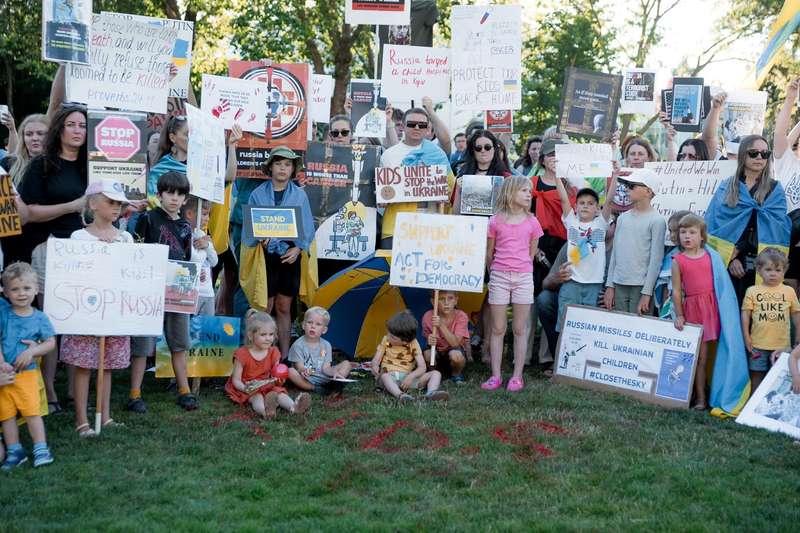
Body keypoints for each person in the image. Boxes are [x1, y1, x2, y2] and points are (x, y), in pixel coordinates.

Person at [18, 104, 88, 411]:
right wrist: (72, 206)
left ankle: (75, 390)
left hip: (85, 248)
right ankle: (49, 391)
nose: (77, 131)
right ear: (59, 128)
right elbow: (27, 213)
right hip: (49, 249)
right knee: (52, 323)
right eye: (72, 124)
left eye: (83, 126)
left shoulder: (92, 164)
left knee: (79, 322)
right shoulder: (41, 165)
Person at [60, 180, 132, 437]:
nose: (116, 207)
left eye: (119, 203)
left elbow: (130, 274)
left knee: (107, 364)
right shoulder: (78, 237)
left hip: (113, 312)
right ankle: (82, 420)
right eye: (110, 202)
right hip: (86, 312)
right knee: (83, 364)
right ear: (93, 203)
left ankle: (106, 414)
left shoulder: (125, 238)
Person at [128, 171, 196, 413]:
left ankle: (184, 391)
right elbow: (137, 249)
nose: (174, 198)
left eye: (180, 194)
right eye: (169, 193)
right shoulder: (147, 218)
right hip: (149, 289)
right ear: (160, 194)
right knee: (143, 344)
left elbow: (187, 259)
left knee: (179, 342)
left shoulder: (186, 226)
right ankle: (134, 394)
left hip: (176, 290)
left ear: (186, 198)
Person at [704, 135, 790, 304]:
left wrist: (739, 249)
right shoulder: (727, 186)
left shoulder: (775, 190)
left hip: (763, 264)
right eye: (754, 153)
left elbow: (776, 229)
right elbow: (714, 226)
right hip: (726, 262)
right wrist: (731, 259)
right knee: (728, 315)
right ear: (743, 154)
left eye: (765, 154)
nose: (759, 157)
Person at [245, 147, 314, 357]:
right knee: (266, 305)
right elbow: (251, 227)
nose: (282, 168)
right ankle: (259, 357)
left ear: (293, 169)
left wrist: (298, 248)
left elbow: (307, 227)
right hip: (265, 256)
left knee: (284, 306)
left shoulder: (300, 195)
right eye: (278, 164)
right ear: (271, 167)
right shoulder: (257, 194)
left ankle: (284, 358)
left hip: (289, 257)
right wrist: (260, 238)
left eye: (287, 164)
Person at [482, 176, 543, 391]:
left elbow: (531, 253)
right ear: (510, 193)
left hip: (523, 278)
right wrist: (496, 272)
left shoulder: (532, 222)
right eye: (524, 190)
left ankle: (517, 376)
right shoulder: (495, 221)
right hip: (499, 276)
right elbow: (489, 254)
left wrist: (519, 270)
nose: (529, 194)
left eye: (530, 191)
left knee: (519, 327)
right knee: (498, 328)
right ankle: (496, 375)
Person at [0, 263, 56, 469]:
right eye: (14, 289)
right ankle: (15, 451)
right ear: (5, 292)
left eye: (26, 288)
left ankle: (41, 448)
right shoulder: (3, 315)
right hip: (6, 375)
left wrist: (32, 351)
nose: (21, 293)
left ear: (36, 289)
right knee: (6, 414)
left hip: (27, 374)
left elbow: (50, 342)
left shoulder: (39, 318)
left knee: (31, 412)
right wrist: (1, 364)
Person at [378, 107, 450, 248]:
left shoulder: (438, 154)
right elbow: (383, 192)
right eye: (411, 124)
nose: (417, 127)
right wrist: (383, 198)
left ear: (427, 128)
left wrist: (443, 194)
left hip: (430, 226)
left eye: (422, 125)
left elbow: (450, 191)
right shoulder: (389, 155)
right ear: (403, 127)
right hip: (396, 225)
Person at [554, 171, 615, 333]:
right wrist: (557, 176)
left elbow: (609, 202)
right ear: (576, 207)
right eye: (581, 203)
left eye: (590, 203)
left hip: (594, 285)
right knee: (566, 327)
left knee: (589, 329)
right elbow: (563, 199)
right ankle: (562, 358)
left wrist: (614, 175)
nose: (586, 206)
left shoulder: (600, 225)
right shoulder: (571, 222)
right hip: (571, 283)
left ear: (597, 209)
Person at [672, 215, 721, 410]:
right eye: (683, 232)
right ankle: (699, 398)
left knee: (712, 355)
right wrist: (680, 314)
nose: (687, 236)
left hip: (712, 308)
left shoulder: (711, 256)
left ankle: (712, 393)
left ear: (702, 236)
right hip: (693, 310)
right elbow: (676, 290)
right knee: (699, 357)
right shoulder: (678, 260)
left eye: (692, 232)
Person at [225, 310, 311, 418]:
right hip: (249, 386)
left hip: (267, 385)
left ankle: (294, 407)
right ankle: (265, 412)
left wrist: (280, 381)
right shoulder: (242, 354)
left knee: (280, 394)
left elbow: (275, 376)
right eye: (263, 334)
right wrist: (245, 388)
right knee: (257, 397)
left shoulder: (273, 352)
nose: (268, 338)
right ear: (251, 335)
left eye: (271, 334)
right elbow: (236, 380)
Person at [604, 169, 666, 315]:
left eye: (632, 186)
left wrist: (647, 292)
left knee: (638, 329)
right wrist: (610, 285)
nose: (627, 189)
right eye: (627, 185)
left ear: (648, 191)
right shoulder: (623, 218)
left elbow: (655, 260)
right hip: (619, 283)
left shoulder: (657, 220)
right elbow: (615, 254)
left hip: (641, 286)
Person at [741, 248, 800, 393]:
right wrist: (746, 337)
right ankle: (752, 403)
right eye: (768, 269)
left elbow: (796, 315)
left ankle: (769, 409)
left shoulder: (789, 291)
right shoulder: (752, 291)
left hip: (781, 345)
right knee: (757, 374)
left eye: (778, 270)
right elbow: (745, 315)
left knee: (778, 376)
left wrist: (798, 335)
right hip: (758, 344)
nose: (773, 273)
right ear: (759, 270)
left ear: (784, 271)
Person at [370, 310, 449, 403]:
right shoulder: (386, 340)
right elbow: (376, 359)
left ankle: (431, 393)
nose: (388, 336)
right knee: (385, 377)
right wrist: (374, 366)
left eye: (393, 337)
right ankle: (401, 396)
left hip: (408, 378)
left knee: (436, 374)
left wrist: (411, 377)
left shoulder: (413, 344)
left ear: (405, 341)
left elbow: (422, 367)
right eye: (388, 333)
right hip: (390, 378)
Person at [181, 196, 217, 394]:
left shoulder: (203, 234)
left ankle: (199, 376)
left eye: (208, 214)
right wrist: (199, 246)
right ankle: (180, 375)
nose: (206, 218)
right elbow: (192, 259)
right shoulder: (185, 233)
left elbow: (213, 261)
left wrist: (207, 245)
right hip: (191, 291)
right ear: (190, 214)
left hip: (208, 292)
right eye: (203, 213)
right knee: (187, 333)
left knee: (205, 333)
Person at [531, 138, 575, 292]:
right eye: (551, 154)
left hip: (564, 244)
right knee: (535, 291)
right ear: (542, 160)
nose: (556, 158)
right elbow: (524, 215)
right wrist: (532, 246)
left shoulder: (573, 187)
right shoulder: (532, 183)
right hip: (538, 244)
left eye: (560, 155)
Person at [286, 307, 353, 393]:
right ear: (303, 325)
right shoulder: (298, 345)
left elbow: (326, 368)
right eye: (310, 322)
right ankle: (315, 388)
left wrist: (334, 372)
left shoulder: (326, 345)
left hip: (323, 376)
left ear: (324, 330)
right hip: (307, 378)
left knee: (346, 364)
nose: (313, 326)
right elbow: (299, 367)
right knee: (290, 371)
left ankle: (337, 380)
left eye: (318, 324)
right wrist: (304, 370)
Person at [422, 290, 469, 385]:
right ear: (433, 302)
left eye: (450, 298)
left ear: (456, 300)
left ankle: (456, 374)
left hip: (453, 349)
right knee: (427, 354)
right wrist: (430, 339)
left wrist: (441, 325)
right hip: (437, 350)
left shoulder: (461, 316)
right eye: (441, 299)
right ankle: (433, 373)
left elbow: (455, 343)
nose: (446, 303)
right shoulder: (428, 316)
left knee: (456, 356)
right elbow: (427, 338)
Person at [0, 113, 48, 184]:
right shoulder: (8, 163)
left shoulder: (59, 164)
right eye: (29, 134)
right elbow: (2, 192)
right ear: (23, 138)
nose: (34, 138)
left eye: (40, 133)